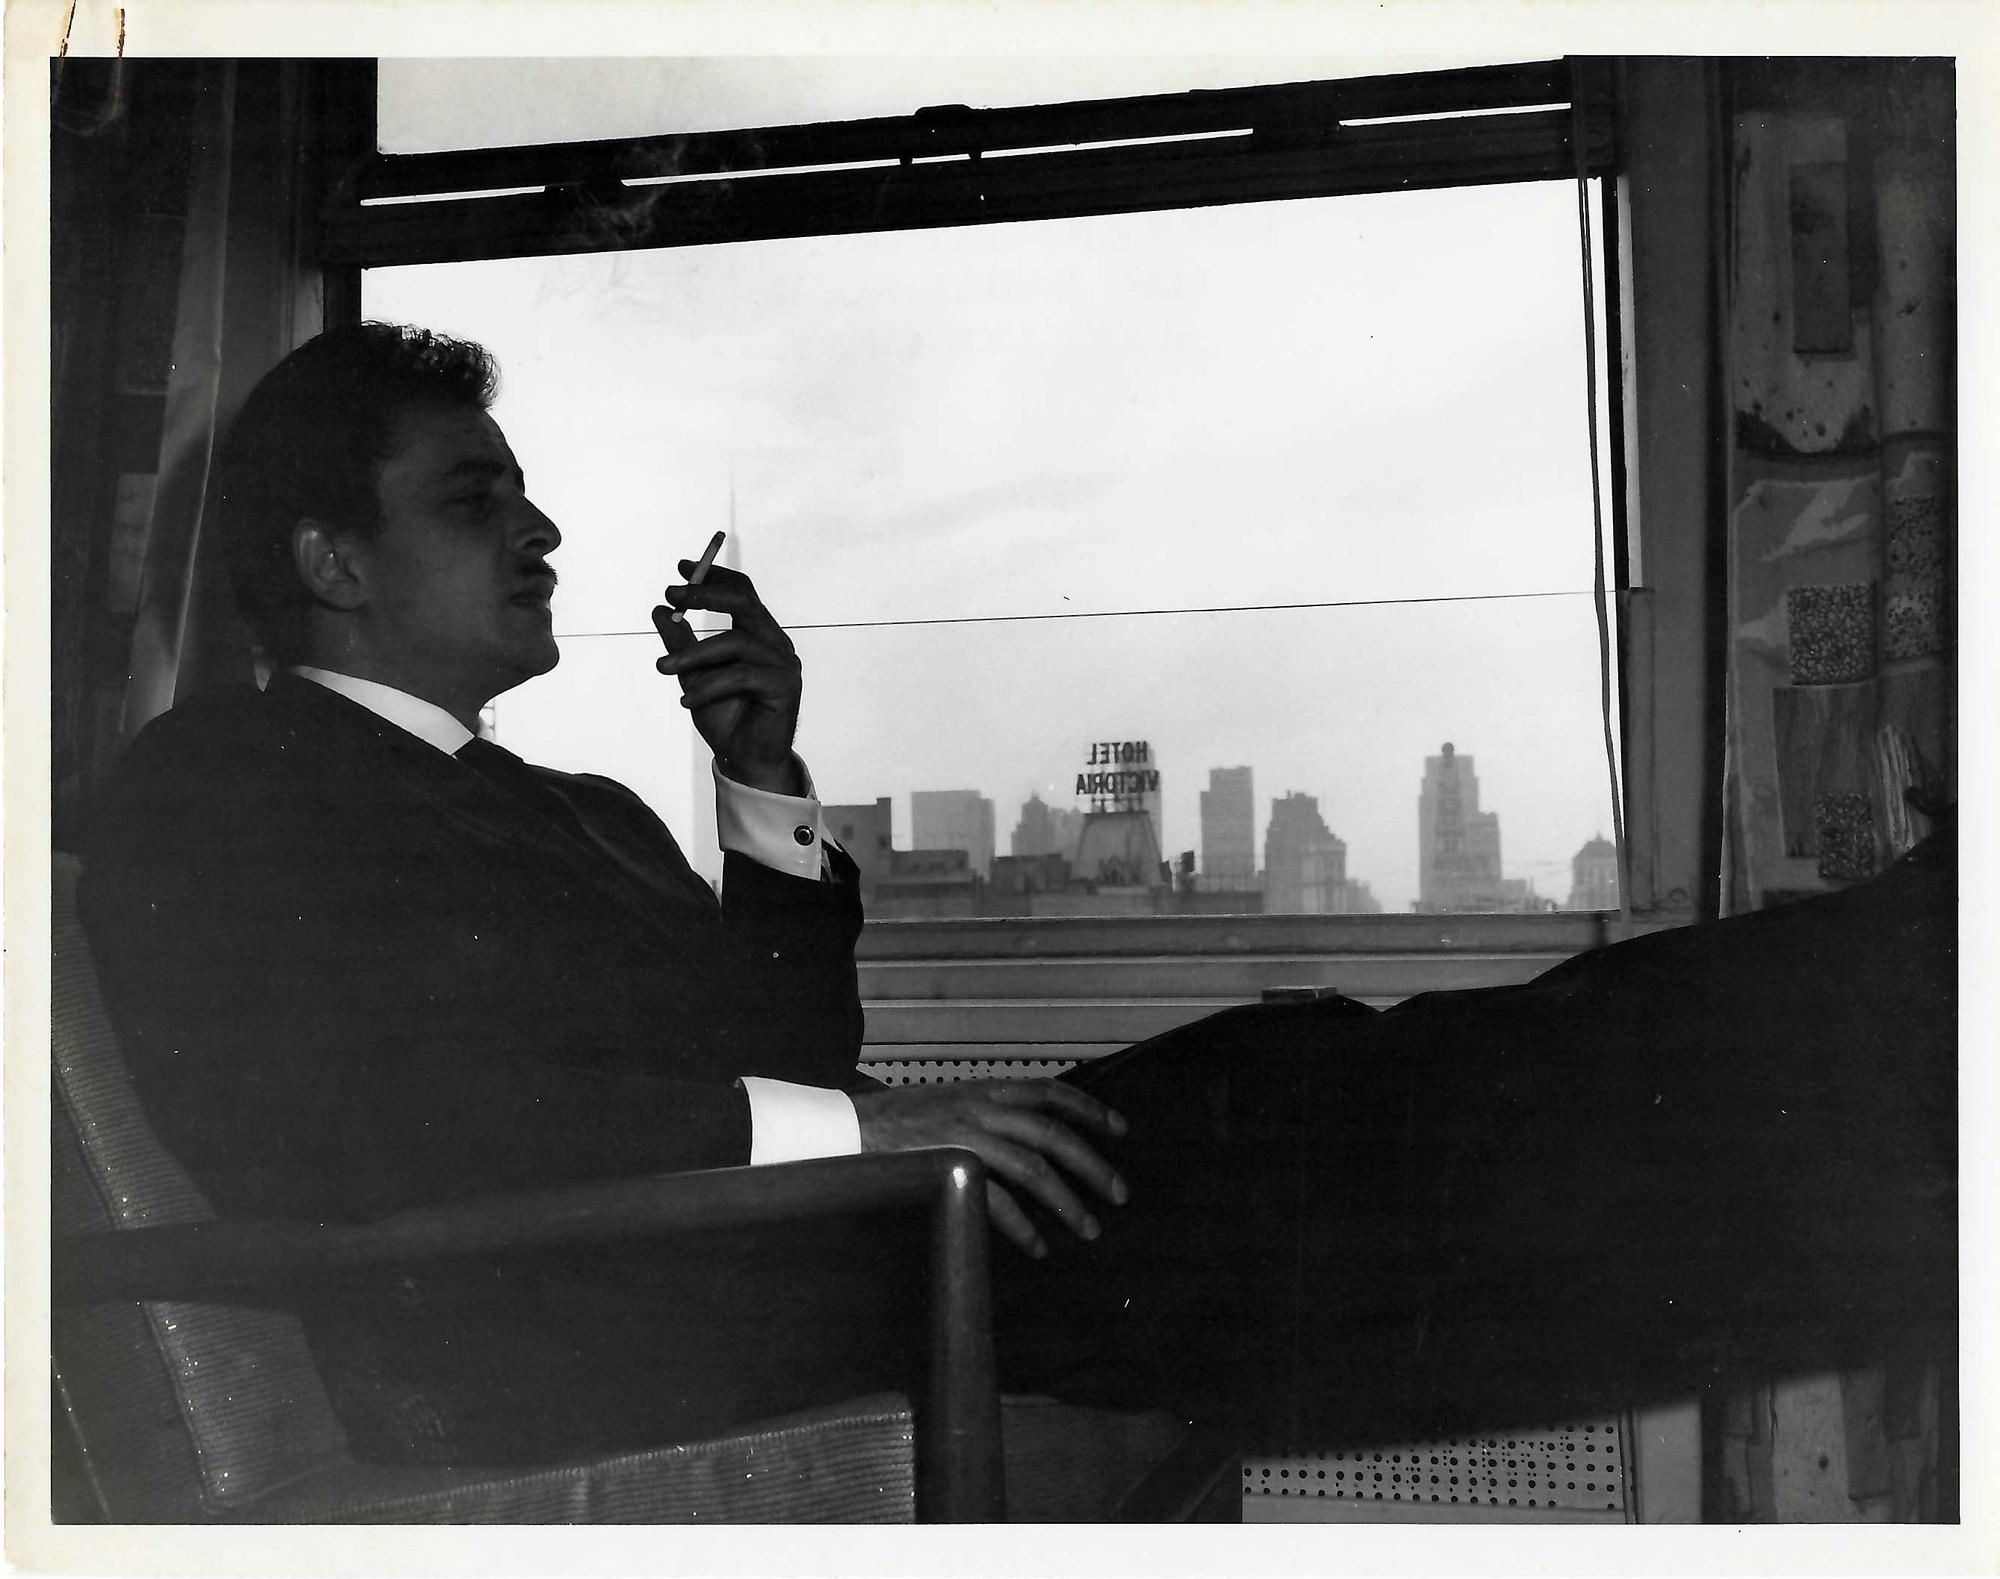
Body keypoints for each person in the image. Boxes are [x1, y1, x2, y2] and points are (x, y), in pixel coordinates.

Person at [80, 323, 1955, 1470]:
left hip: (795, 1252)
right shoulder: (218, 790)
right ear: (330, 560)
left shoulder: (576, 812)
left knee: (1308, 1086)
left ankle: (1912, 1043)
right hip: (589, 1331)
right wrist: (874, 1135)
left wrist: (759, 775)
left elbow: (786, 1047)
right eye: (475, 499)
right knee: (1328, 1136)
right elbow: (359, 1130)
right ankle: (1918, 1055)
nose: (543, 530)